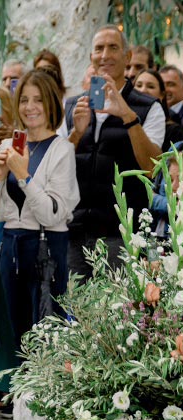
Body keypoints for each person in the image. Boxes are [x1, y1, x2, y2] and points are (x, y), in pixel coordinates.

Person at [65, 25, 165, 278]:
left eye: (113, 48)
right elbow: (55, 167)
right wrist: (76, 133)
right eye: (99, 49)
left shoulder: (148, 107)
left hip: (122, 235)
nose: (105, 55)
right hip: (74, 234)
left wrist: (128, 117)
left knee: (118, 303)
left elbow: (152, 168)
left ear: (127, 56)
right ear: (91, 57)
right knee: (71, 303)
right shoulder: (73, 106)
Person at [0, 68, 78, 341]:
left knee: (48, 334)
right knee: (15, 334)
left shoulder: (62, 150)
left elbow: (51, 214)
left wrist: (23, 176)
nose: (30, 107)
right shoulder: (8, 146)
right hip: (11, 247)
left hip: (46, 249)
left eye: (38, 99)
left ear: (51, 103)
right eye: (24, 100)